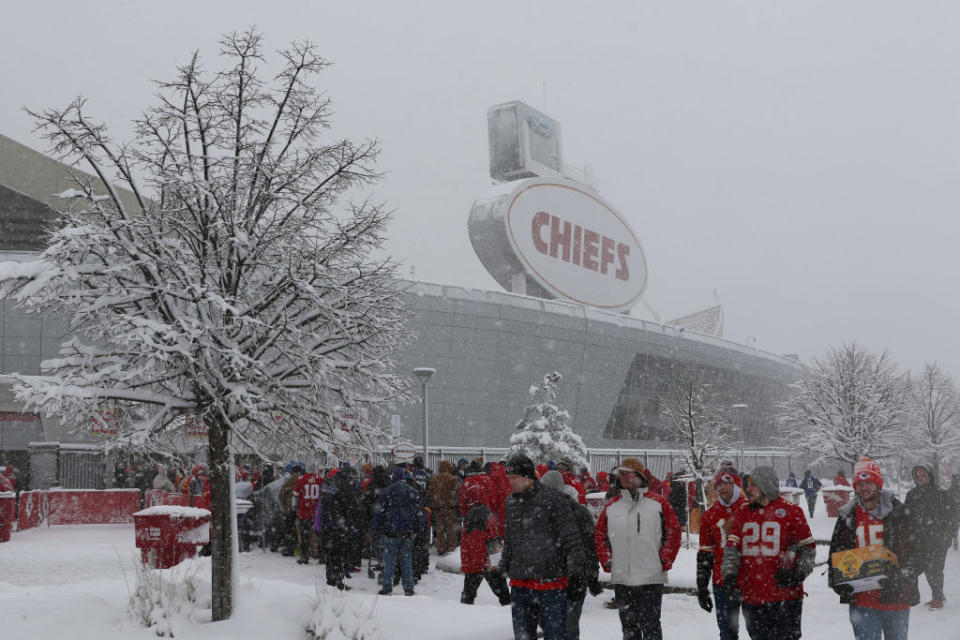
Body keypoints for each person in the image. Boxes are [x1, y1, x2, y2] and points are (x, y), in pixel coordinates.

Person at [828, 457, 919, 640]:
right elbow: (836, 551)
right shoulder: (848, 514)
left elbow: (918, 550)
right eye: (860, 483)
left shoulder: (899, 511)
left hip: (896, 597)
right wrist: (837, 581)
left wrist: (903, 574)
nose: (864, 487)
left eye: (869, 482)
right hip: (862, 599)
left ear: (878, 483)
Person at [721, 466, 816, 640]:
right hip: (752, 596)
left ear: (766, 485)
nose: (747, 489)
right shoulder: (742, 513)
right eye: (747, 485)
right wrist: (729, 574)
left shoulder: (792, 512)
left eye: (752, 484)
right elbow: (732, 548)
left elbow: (808, 549)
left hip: (786, 597)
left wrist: (798, 573)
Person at [499, 453, 586, 640]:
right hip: (520, 584)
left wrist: (576, 575)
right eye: (509, 478)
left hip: (551, 583)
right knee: (523, 636)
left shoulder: (554, 500)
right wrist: (502, 568)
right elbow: (511, 539)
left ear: (528, 477)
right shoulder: (511, 502)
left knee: (556, 635)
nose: (511, 482)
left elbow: (572, 540)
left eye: (515, 477)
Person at [594, 458, 681, 640]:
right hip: (623, 579)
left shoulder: (659, 503)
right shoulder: (612, 505)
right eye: (621, 473)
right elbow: (599, 535)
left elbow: (674, 532)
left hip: (651, 577)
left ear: (640, 476)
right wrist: (608, 560)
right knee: (629, 628)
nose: (623, 477)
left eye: (627, 473)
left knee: (651, 626)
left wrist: (664, 559)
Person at [541, 470, 601, 640]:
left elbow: (589, 547)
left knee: (564, 628)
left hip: (569, 579)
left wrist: (591, 575)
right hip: (560, 580)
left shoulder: (575, 513)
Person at [697, 468, 747, 640]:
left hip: (752, 580)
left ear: (736, 485)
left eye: (727, 483)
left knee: (759, 629)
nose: (722, 488)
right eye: (718, 484)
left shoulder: (751, 508)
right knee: (727, 632)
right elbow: (705, 553)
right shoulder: (710, 514)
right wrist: (702, 586)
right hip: (722, 581)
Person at [904, 465, 957, 609]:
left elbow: (952, 516)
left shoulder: (940, 494)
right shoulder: (911, 495)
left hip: (938, 539)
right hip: (919, 540)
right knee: (925, 568)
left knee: (935, 569)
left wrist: (948, 535)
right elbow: (906, 516)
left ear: (929, 475)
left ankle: (937, 598)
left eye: (923, 475)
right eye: (917, 476)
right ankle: (937, 594)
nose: (920, 478)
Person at [371, 466, 426, 596]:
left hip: (390, 532)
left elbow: (378, 513)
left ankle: (387, 586)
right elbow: (419, 513)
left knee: (389, 560)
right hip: (406, 532)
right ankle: (408, 587)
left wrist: (376, 529)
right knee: (406, 561)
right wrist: (418, 529)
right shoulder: (413, 492)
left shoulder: (386, 492)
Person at [459, 485, 510, 606]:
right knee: (502, 591)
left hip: (481, 559)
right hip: (493, 555)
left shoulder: (474, 514)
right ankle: (510, 611)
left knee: (468, 594)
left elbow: (475, 542)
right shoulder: (486, 511)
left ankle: (463, 616)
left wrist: (476, 565)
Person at [320, 466, 362, 588]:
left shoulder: (327, 482)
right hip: (338, 524)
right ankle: (337, 580)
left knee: (330, 553)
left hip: (326, 522)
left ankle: (330, 578)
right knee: (338, 554)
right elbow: (353, 505)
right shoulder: (344, 485)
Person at [428, 460, 461, 555]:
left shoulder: (434, 478)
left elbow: (430, 492)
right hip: (450, 508)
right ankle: (450, 548)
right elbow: (457, 492)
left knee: (440, 529)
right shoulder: (452, 478)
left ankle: (441, 547)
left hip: (437, 508)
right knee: (450, 529)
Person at [292, 465, 322, 565]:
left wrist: (294, 507)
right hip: (317, 512)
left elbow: (295, 496)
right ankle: (319, 554)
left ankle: (304, 556)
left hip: (304, 511)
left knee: (304, 535)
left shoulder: (301, 479)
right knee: (318, 534)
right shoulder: (320, 479)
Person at [278, 463, 303, 556]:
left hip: (290, 509)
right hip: (302, 509)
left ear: (292, 472)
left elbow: (281, 495)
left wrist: (285, 505)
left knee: (290, 530)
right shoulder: (303, 480)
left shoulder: (288, 481)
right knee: (302, 530)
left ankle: (290, 549)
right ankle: (302, 550)